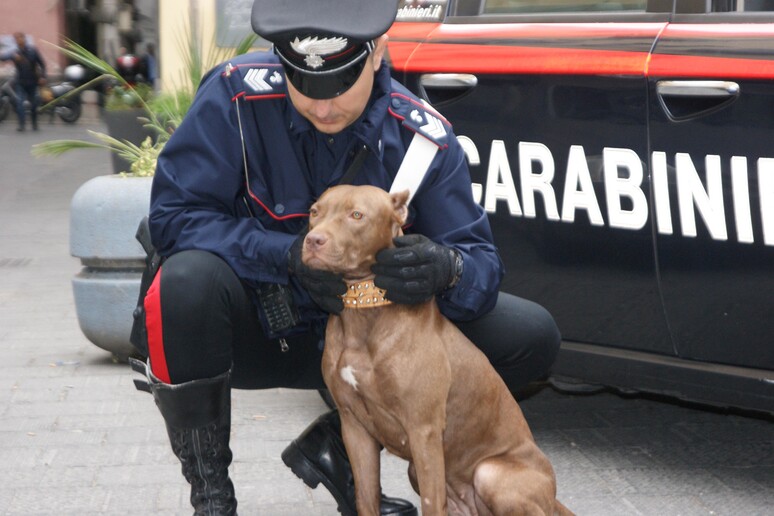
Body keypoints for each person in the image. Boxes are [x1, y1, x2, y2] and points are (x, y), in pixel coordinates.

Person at [130, 0, 561, 514]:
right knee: (185, 282)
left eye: (338, 86)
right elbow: (174, 216)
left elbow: (481, 264)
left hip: (381, 341)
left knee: (528, 335)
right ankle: (212, 497)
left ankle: (340, 441)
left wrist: (446, 270)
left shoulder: (420, 137)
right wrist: (284, 256)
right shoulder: (234, 98)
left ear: (377, 54)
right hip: (268, 327)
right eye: (304, 86)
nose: (322, 107)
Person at [1, 32, 46, 131]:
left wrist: (43, 77)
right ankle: (22, 125)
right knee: (20, 103)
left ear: (24, 39)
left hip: (33, 82)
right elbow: (4, 58)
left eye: (19, 38)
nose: (17, 41)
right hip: (20, 82)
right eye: (16, 39)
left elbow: (42, 64)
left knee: (34, 104)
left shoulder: (33, 51)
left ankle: (34, 124)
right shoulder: (15, 53)